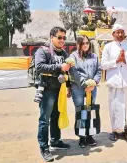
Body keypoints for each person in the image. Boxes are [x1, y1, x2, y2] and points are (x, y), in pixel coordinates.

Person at [35, 26, 72, 162]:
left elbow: (66, 72)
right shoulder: (43, 51)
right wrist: (59, 67)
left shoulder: (64, 53)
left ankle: (55, 141)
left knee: (56, 117)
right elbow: (39, 67)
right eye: (59, 37)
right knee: (44, 120)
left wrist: (68, 87)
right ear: (52, 37)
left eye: (64, 38)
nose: (63, 40)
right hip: (47, 90)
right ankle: (44, 148)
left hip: (60, 91)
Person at [101, 23, 127, 141]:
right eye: (117, 32)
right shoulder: (108, 47)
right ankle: (115, 131)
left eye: (122, 32)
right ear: (113, 34)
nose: (120, 34)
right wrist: (116, 61)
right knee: (114, 107)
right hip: (114, 83)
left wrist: (125, 60)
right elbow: (103, 64)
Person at [69, 35, 101, 148]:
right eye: (83, 43)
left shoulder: (94, 57)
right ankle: (82, 137)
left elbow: (98, 70)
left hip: (92, 89)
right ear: (78, 44)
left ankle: (90, 136)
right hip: (78, 88)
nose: (86, 45)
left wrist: (94, 83)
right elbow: (73, 72)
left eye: (87, 42)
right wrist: (85, 84)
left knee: (90, 111)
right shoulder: (73, 56)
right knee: (80, 112)